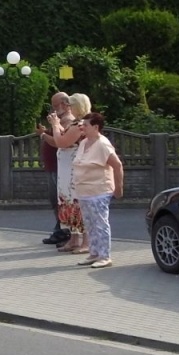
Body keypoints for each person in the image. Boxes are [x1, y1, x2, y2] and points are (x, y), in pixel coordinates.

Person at [71, 111, 124, 268]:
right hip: (84, 192)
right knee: (90, 224)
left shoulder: (103, 144)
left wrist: (119, 188)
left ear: (95, 127)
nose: (82, 128)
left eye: (85, 125)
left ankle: (104, 256)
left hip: (99, 191)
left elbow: (117, 166)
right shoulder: (83, 143)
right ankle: (94, 253)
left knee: (100, 223)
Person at [44, 93, 92, 255]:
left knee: (78, 204)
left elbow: (61, 142)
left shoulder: (80, 124)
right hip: (66, 170)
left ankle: (86, 241)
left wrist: (55, 124)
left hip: (74, 171)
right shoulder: (77, 123)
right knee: (68, 203)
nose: (68, 108)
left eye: (71, 105)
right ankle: (74, 238)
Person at [37, 92, 71, 245]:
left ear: (64, 104)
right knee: (55, 200)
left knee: (60, 200)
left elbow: (59, 142)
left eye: (55, 106)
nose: (53, 109)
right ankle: (60, 229)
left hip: (60, 167)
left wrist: (44, 135)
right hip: (53, 165)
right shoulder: (59, 121)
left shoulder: (67, 121)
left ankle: (64, 231)